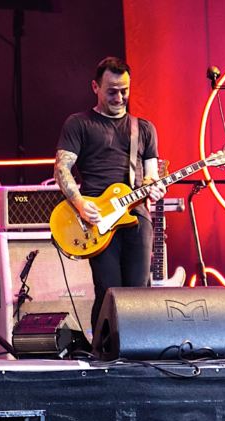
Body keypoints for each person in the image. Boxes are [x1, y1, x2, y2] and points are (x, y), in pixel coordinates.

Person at [54, 56, 166, 330]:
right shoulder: (79, 124)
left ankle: (139, 354)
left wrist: (156, 188)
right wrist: (79, 204)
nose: (119, 97)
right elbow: (61, 169)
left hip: (136, 217)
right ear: (95, 87)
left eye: (124, 90)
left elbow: (152, 175)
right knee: (108, 292)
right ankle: (103, 355)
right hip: (97, 219)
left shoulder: (144, 128)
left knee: (139, 292)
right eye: (112, 90)